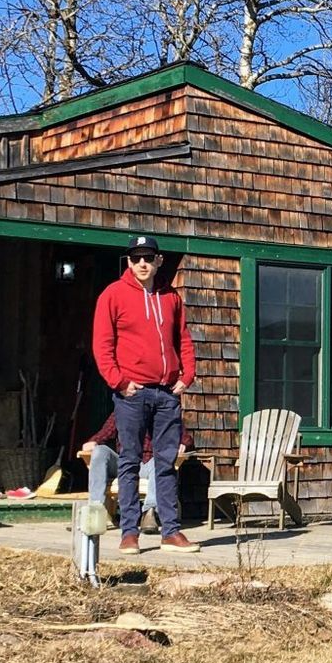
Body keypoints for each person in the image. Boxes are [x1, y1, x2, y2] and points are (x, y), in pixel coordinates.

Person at [91, 235, 197, 551]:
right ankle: (129, 533)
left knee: (165, 462)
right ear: (128, 261)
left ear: (158, 261)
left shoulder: (171, 298)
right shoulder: (113, 295)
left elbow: (184, 340)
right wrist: (120, 382)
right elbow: (102, 345)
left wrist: (187, 375)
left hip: (166, 394)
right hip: (132, 394)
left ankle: (170, 531)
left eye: (148, 257)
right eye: (136, 258)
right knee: (129, 461)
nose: (142, 263)